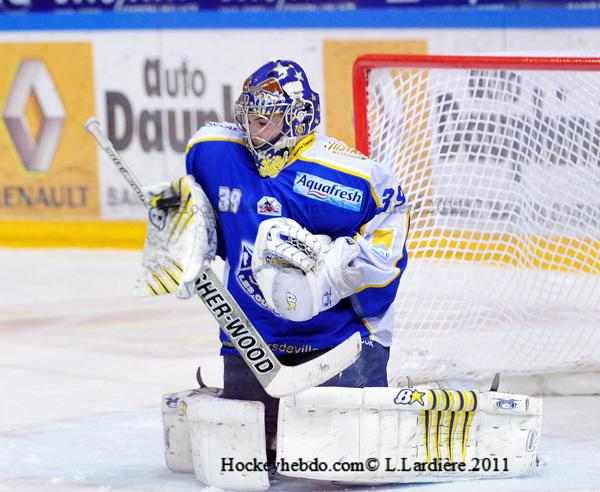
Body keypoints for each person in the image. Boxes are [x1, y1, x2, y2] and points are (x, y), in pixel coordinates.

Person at [184, 59, 409, 457]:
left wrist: (339, 271)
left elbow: (389, 225)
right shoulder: (212, 154)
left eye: (265, 120)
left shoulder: (349, 178)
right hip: (251, 340)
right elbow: (201, 212)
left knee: (345, 458)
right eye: (249, 117)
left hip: (339, 342)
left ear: (298, 118)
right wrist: (183, 226)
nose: (253, 129)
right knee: (250, 458)